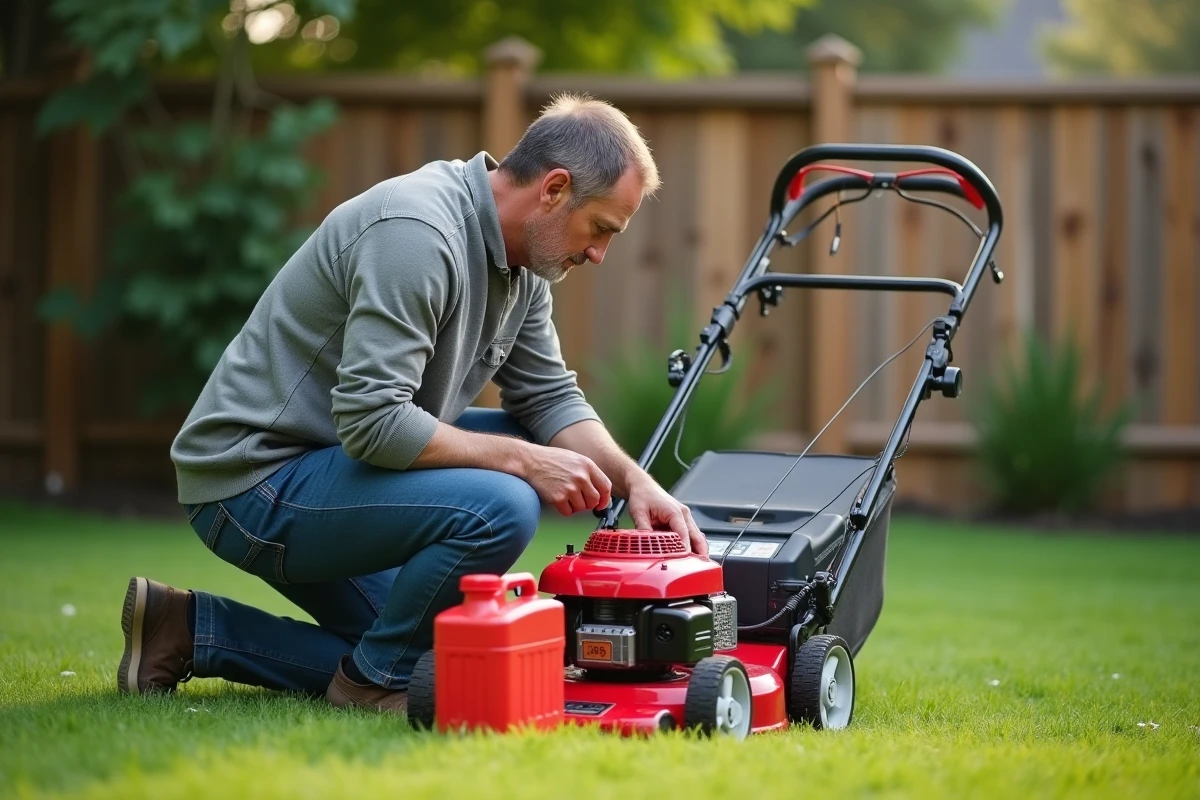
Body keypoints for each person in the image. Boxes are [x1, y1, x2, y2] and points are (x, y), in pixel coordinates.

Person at [116, 93, 709, 714]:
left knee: (437, 659)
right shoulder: (418, 234)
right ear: (555, 189)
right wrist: (524, 464)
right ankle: (372, 686)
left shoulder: (524, 264)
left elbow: (549, 398)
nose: (598, 254)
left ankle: (186, 630)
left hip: (331, 469)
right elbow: (373, 422)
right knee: (501, 503)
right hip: (251, 481)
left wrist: (635, 481)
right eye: (601, 229)